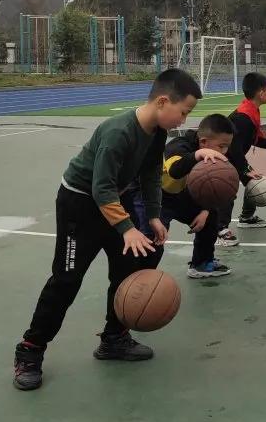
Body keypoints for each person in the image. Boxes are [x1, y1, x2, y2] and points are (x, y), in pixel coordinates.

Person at [12, 69, 202, 391]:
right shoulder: (119, 132)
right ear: (162, 101)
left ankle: (114, 338)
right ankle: (30, 351)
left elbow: (153, 174)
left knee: (128, 271)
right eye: (183, 112)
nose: (184, 120)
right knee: (67, 279)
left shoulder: (156, 133)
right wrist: (127, 228)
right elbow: (101, 188)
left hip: (115, 199)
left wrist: (154, 216)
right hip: (80, 204)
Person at [153, 114, 235, 278]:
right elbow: (176, 170)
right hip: (157, 198)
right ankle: (142, 273)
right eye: (222, 146)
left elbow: (213, 188)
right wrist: (199, 154)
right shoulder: (178, 146)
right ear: (203, 142)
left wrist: (205, 210)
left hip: (183, 196)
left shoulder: (216, 152)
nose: (225, 151)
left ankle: (201, 263)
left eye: (227, 146)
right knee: (154, 237)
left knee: (211, 216)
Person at [218, 72, 266, 242]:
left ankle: (246, 218)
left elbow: (249, 138)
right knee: (228, 192)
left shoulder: (250, 110)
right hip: (223, 159)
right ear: (261, 93)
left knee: (252, 183)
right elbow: (234, 149)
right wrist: (246, 169)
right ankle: (221, 229)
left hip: (232, 157)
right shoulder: (243, 117)